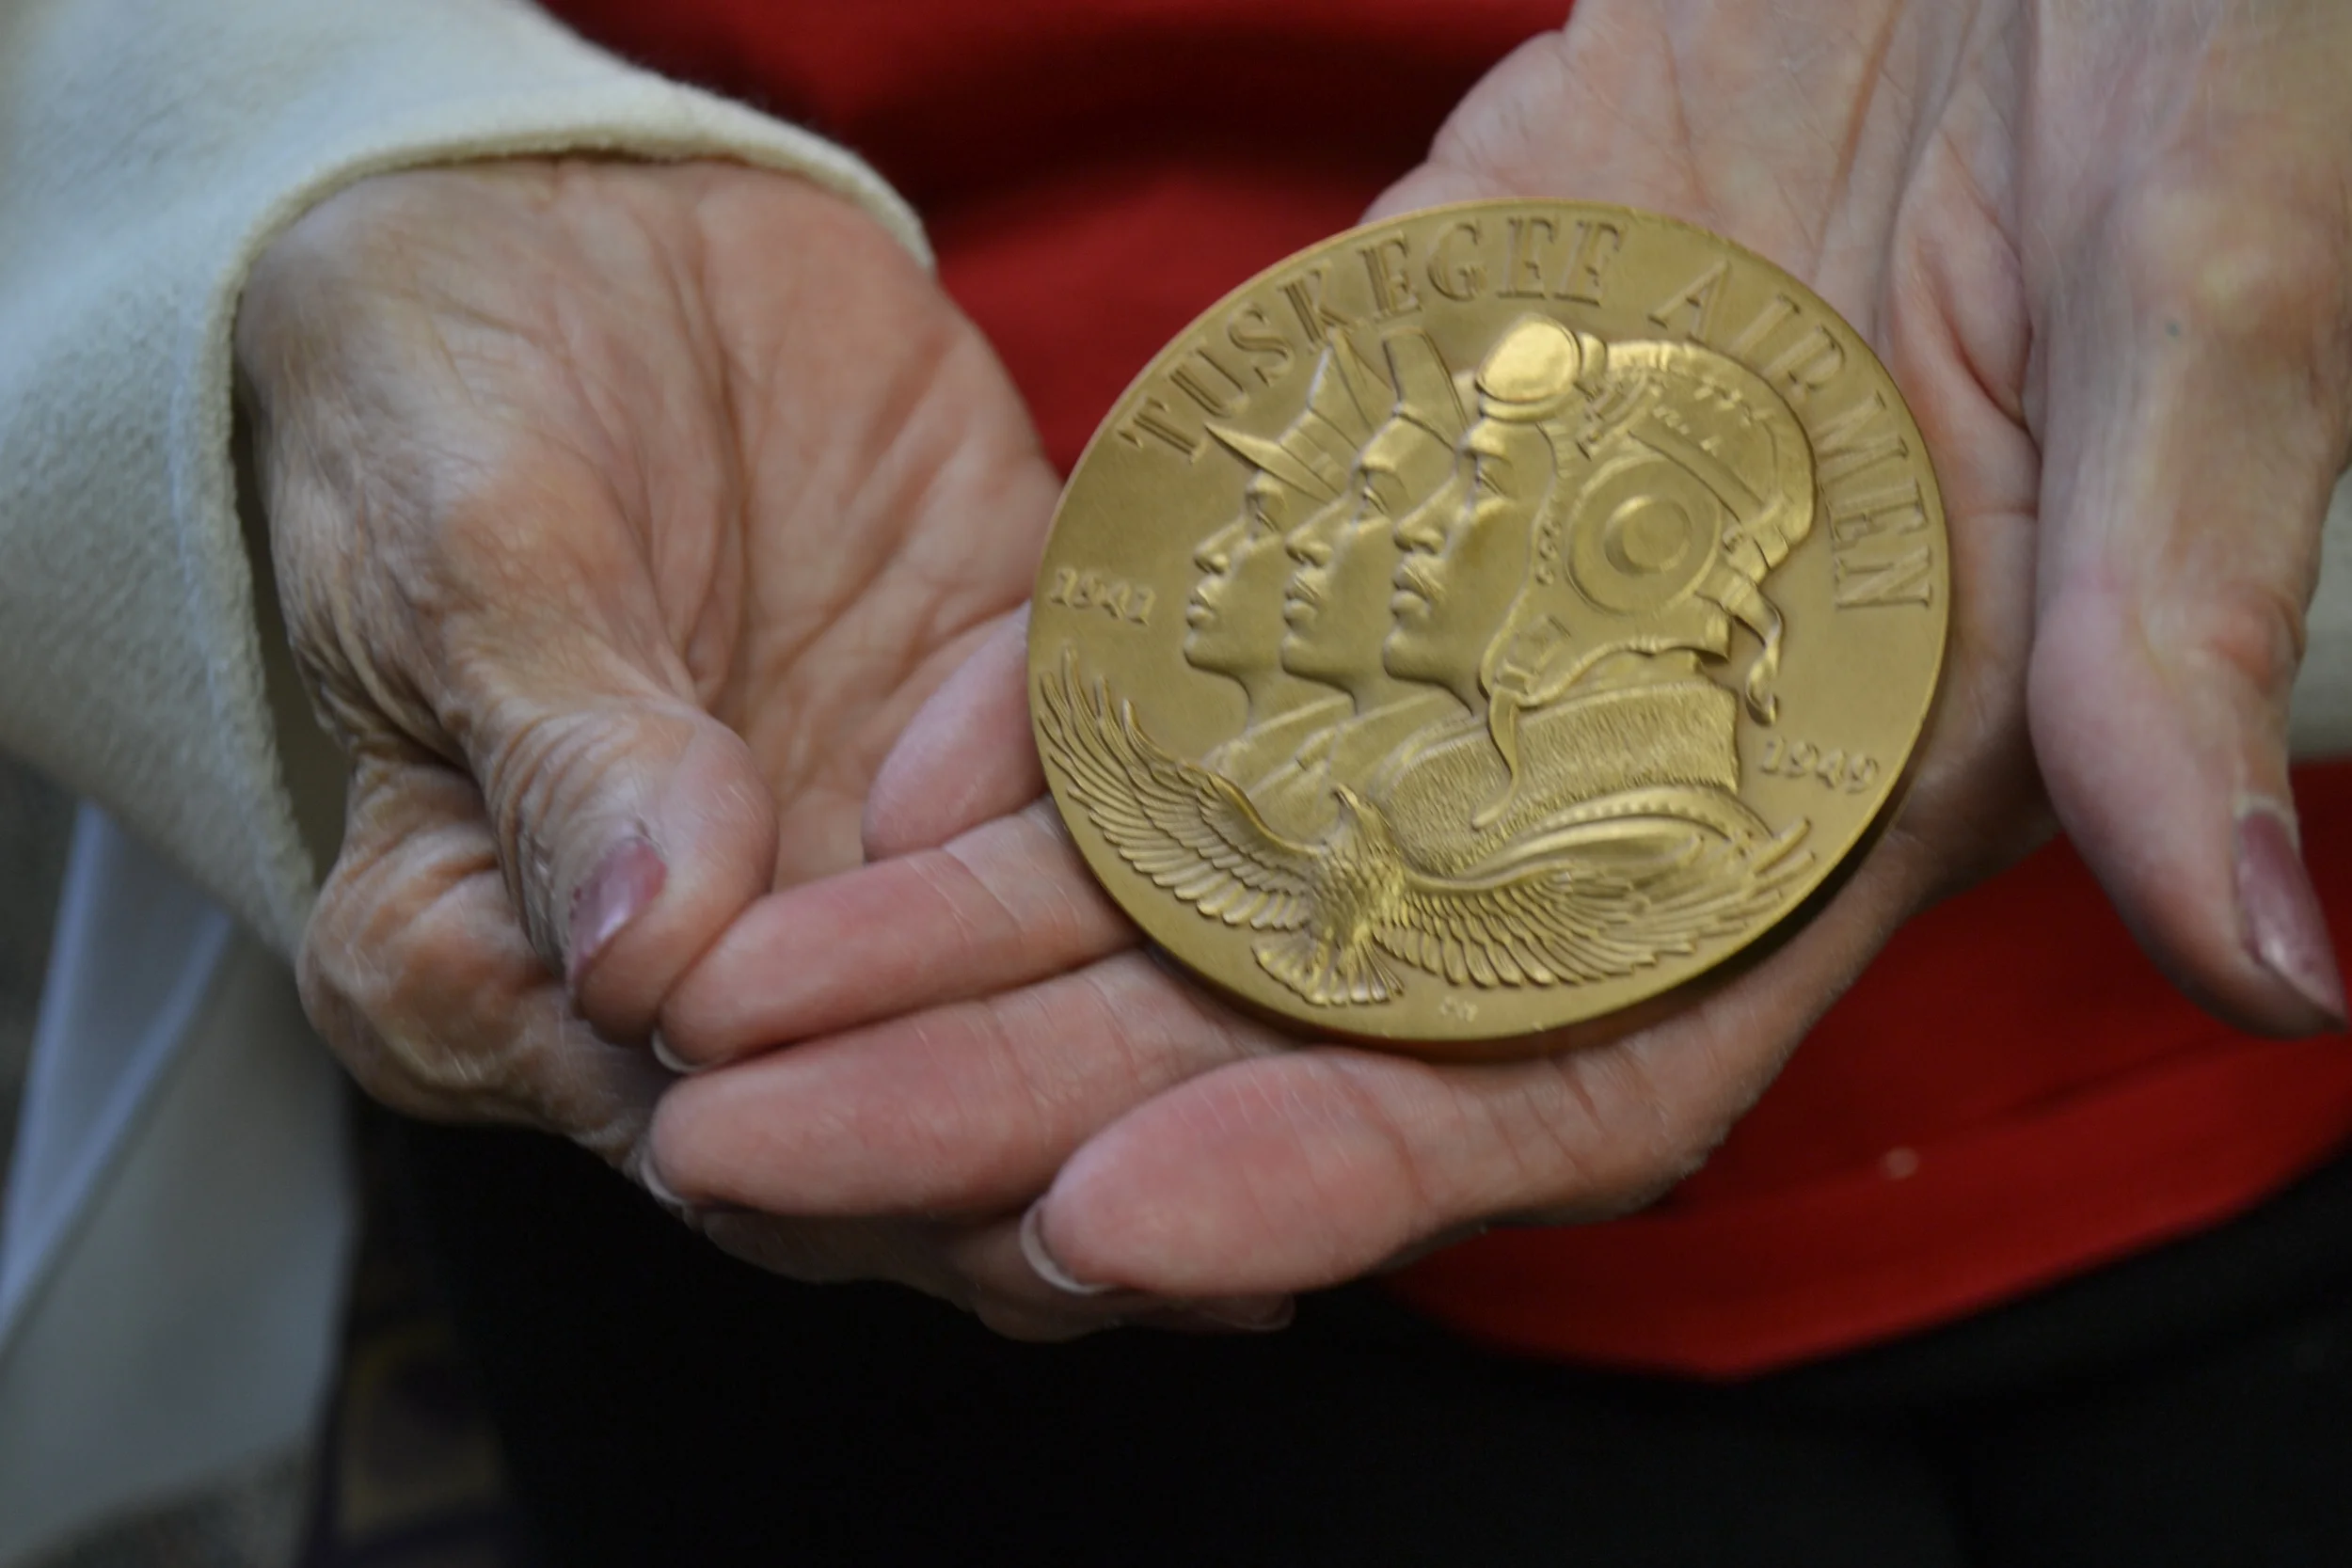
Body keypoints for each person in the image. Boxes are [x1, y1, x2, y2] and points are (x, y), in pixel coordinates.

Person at [8, 0, 2352, 1561]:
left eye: (1453, 487)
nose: (1378, 497)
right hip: (797, 678)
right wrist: (284, 145)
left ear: (1637, 557)